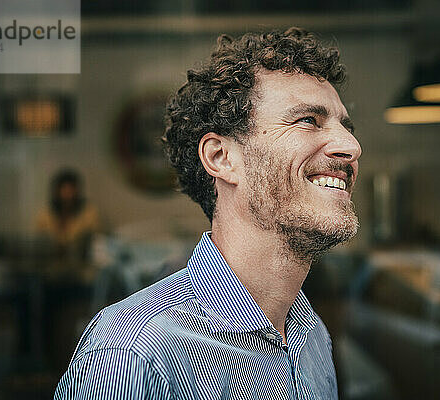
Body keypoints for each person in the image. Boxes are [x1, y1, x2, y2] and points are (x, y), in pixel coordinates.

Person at [54, 27, 361, 399]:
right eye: (308, 120)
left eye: (346, 126)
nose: (351, 146)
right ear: (221, 157)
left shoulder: (311, 335)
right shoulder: (134, 353)